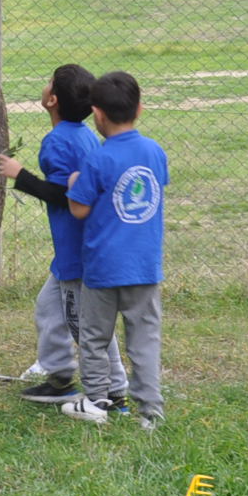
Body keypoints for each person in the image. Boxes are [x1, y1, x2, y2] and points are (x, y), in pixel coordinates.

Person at [0, 64, 125, 405]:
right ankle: (60, 379)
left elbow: (64, 195)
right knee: (49, 310)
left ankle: (114, 390)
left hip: (79, 252)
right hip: (83, 247)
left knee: (85, 325)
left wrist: (19, 174)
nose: (44, 85)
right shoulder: (83, 135)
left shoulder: (57, 142)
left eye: (48, 81)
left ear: (52, 100)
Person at [64, 72, 168, 428]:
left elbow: (79, 209)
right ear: (139, 108)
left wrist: (74, 183)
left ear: (97, 114)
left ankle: (97, 402)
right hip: (144, 266)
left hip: (103, 267)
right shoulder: (154, 151)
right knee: (144, 339)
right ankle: (150, 412)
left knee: (94, 337)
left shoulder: (98, 159)